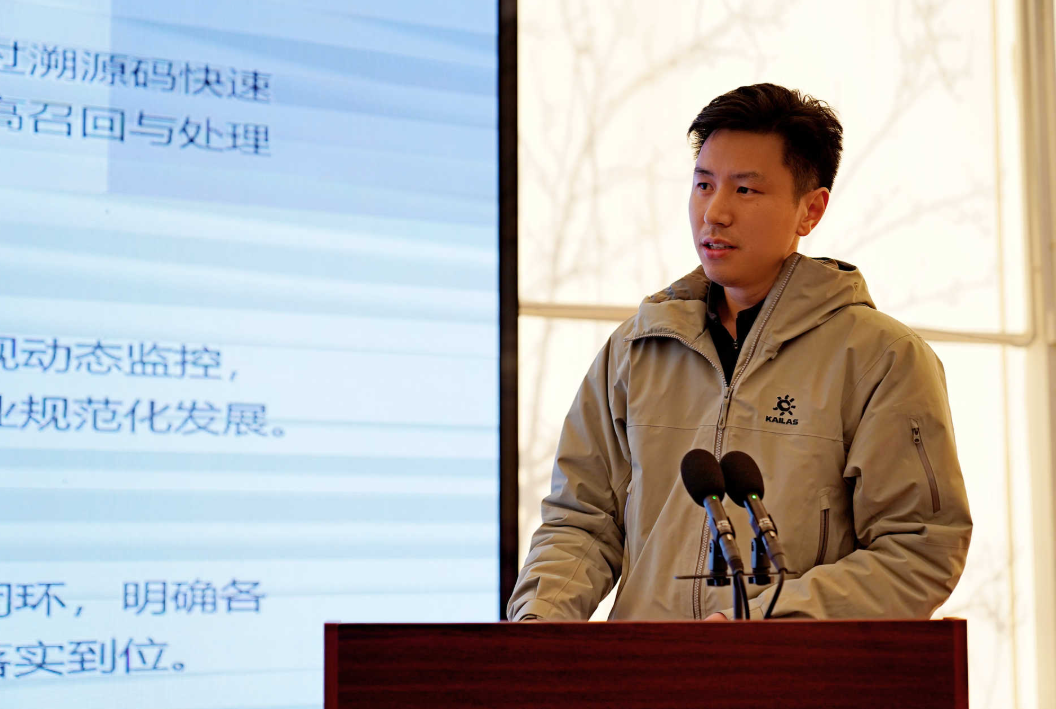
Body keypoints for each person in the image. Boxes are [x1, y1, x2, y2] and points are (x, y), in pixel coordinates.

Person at [507, 83, 973, 622]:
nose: (715, 212)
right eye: (703, 185)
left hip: (787, 666)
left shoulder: (882, 358)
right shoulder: (634, 350)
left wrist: (763, 626)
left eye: (745, 190)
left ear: (811, 210)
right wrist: (537, 627)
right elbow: (580, 521)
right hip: (646, 667)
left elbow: (919, 549)